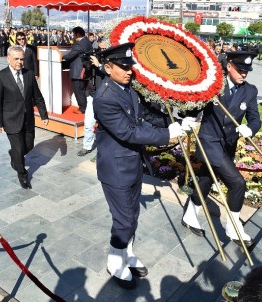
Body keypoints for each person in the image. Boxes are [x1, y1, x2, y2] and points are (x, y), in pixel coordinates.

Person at [93, 42, 195, 289]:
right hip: (115, 168)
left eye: (130, 66)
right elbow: (128, 131)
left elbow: (146, 115)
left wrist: (176, 122)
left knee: (132, 215)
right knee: (124, 218)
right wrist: (167, 135)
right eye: (123, 66)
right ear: (107, 67)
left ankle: (126, 253)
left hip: (132, 163)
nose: (129, 71)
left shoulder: (127, 88)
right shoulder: (105, 97)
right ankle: (114, 261)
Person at [181, 51, 262, 247]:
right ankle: (233, 227)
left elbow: (255, 118)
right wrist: (187, 116)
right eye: (240, 70)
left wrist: (249, 129)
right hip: (209, 142)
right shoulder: (214, 85)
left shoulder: (249, 91)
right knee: (237, 183)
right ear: (229, 67)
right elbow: (193, 106)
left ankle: (190, 214)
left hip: (228, 145)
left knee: (207, 178)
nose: (244, 74)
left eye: (246, 71)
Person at [0, 45, 49, 189]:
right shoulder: (0, 76)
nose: (19, 62)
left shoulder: (29, 74)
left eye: (22, 59)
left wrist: (44, 114)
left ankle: (14, 155)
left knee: (28, 147)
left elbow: (38, 96)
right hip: (11, 119)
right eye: (16, 59)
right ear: (8, 59)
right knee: (18, 150)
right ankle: (22, 174)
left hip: (28, 119)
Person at [77, 41, 107, 157]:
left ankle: (102, 150)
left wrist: (99, 64)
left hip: (104, 96)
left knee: (104, 126)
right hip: (91, 94)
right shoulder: (93, 58)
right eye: (100, 43)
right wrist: (87, 65)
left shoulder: (109, 58)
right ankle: (87, 146)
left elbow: (110, 74)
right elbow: (85, 75)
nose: (102, 45)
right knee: (88, 123)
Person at [63, 26, 93, 114]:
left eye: (74, 34)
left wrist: (61, 56)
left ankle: (82, 108)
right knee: (81, 89)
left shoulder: (81, 43)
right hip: (83, 69)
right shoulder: (86, 41)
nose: (73, 36)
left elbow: (70, 55)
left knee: (78, 90)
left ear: (78, 34)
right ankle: (84, 107)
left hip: (78, 70)